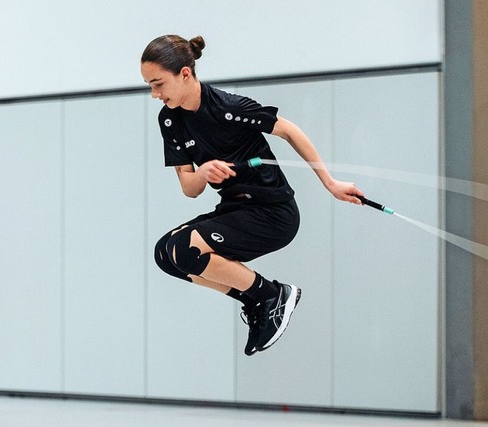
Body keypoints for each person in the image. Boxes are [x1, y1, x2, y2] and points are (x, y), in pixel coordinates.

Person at [141, 34, 365, 356]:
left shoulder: (228, 108)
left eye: (158, 84)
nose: (154, 94)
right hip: (235, 209)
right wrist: (202, 173)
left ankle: (272, 295)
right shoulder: (170, 120)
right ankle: (257, 300)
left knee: (184, 248)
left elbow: (289, 130)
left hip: (272, 212)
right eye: (150, 86)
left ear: (185, 74)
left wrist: (330, 183)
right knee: (166, 255)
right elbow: (189, 188)